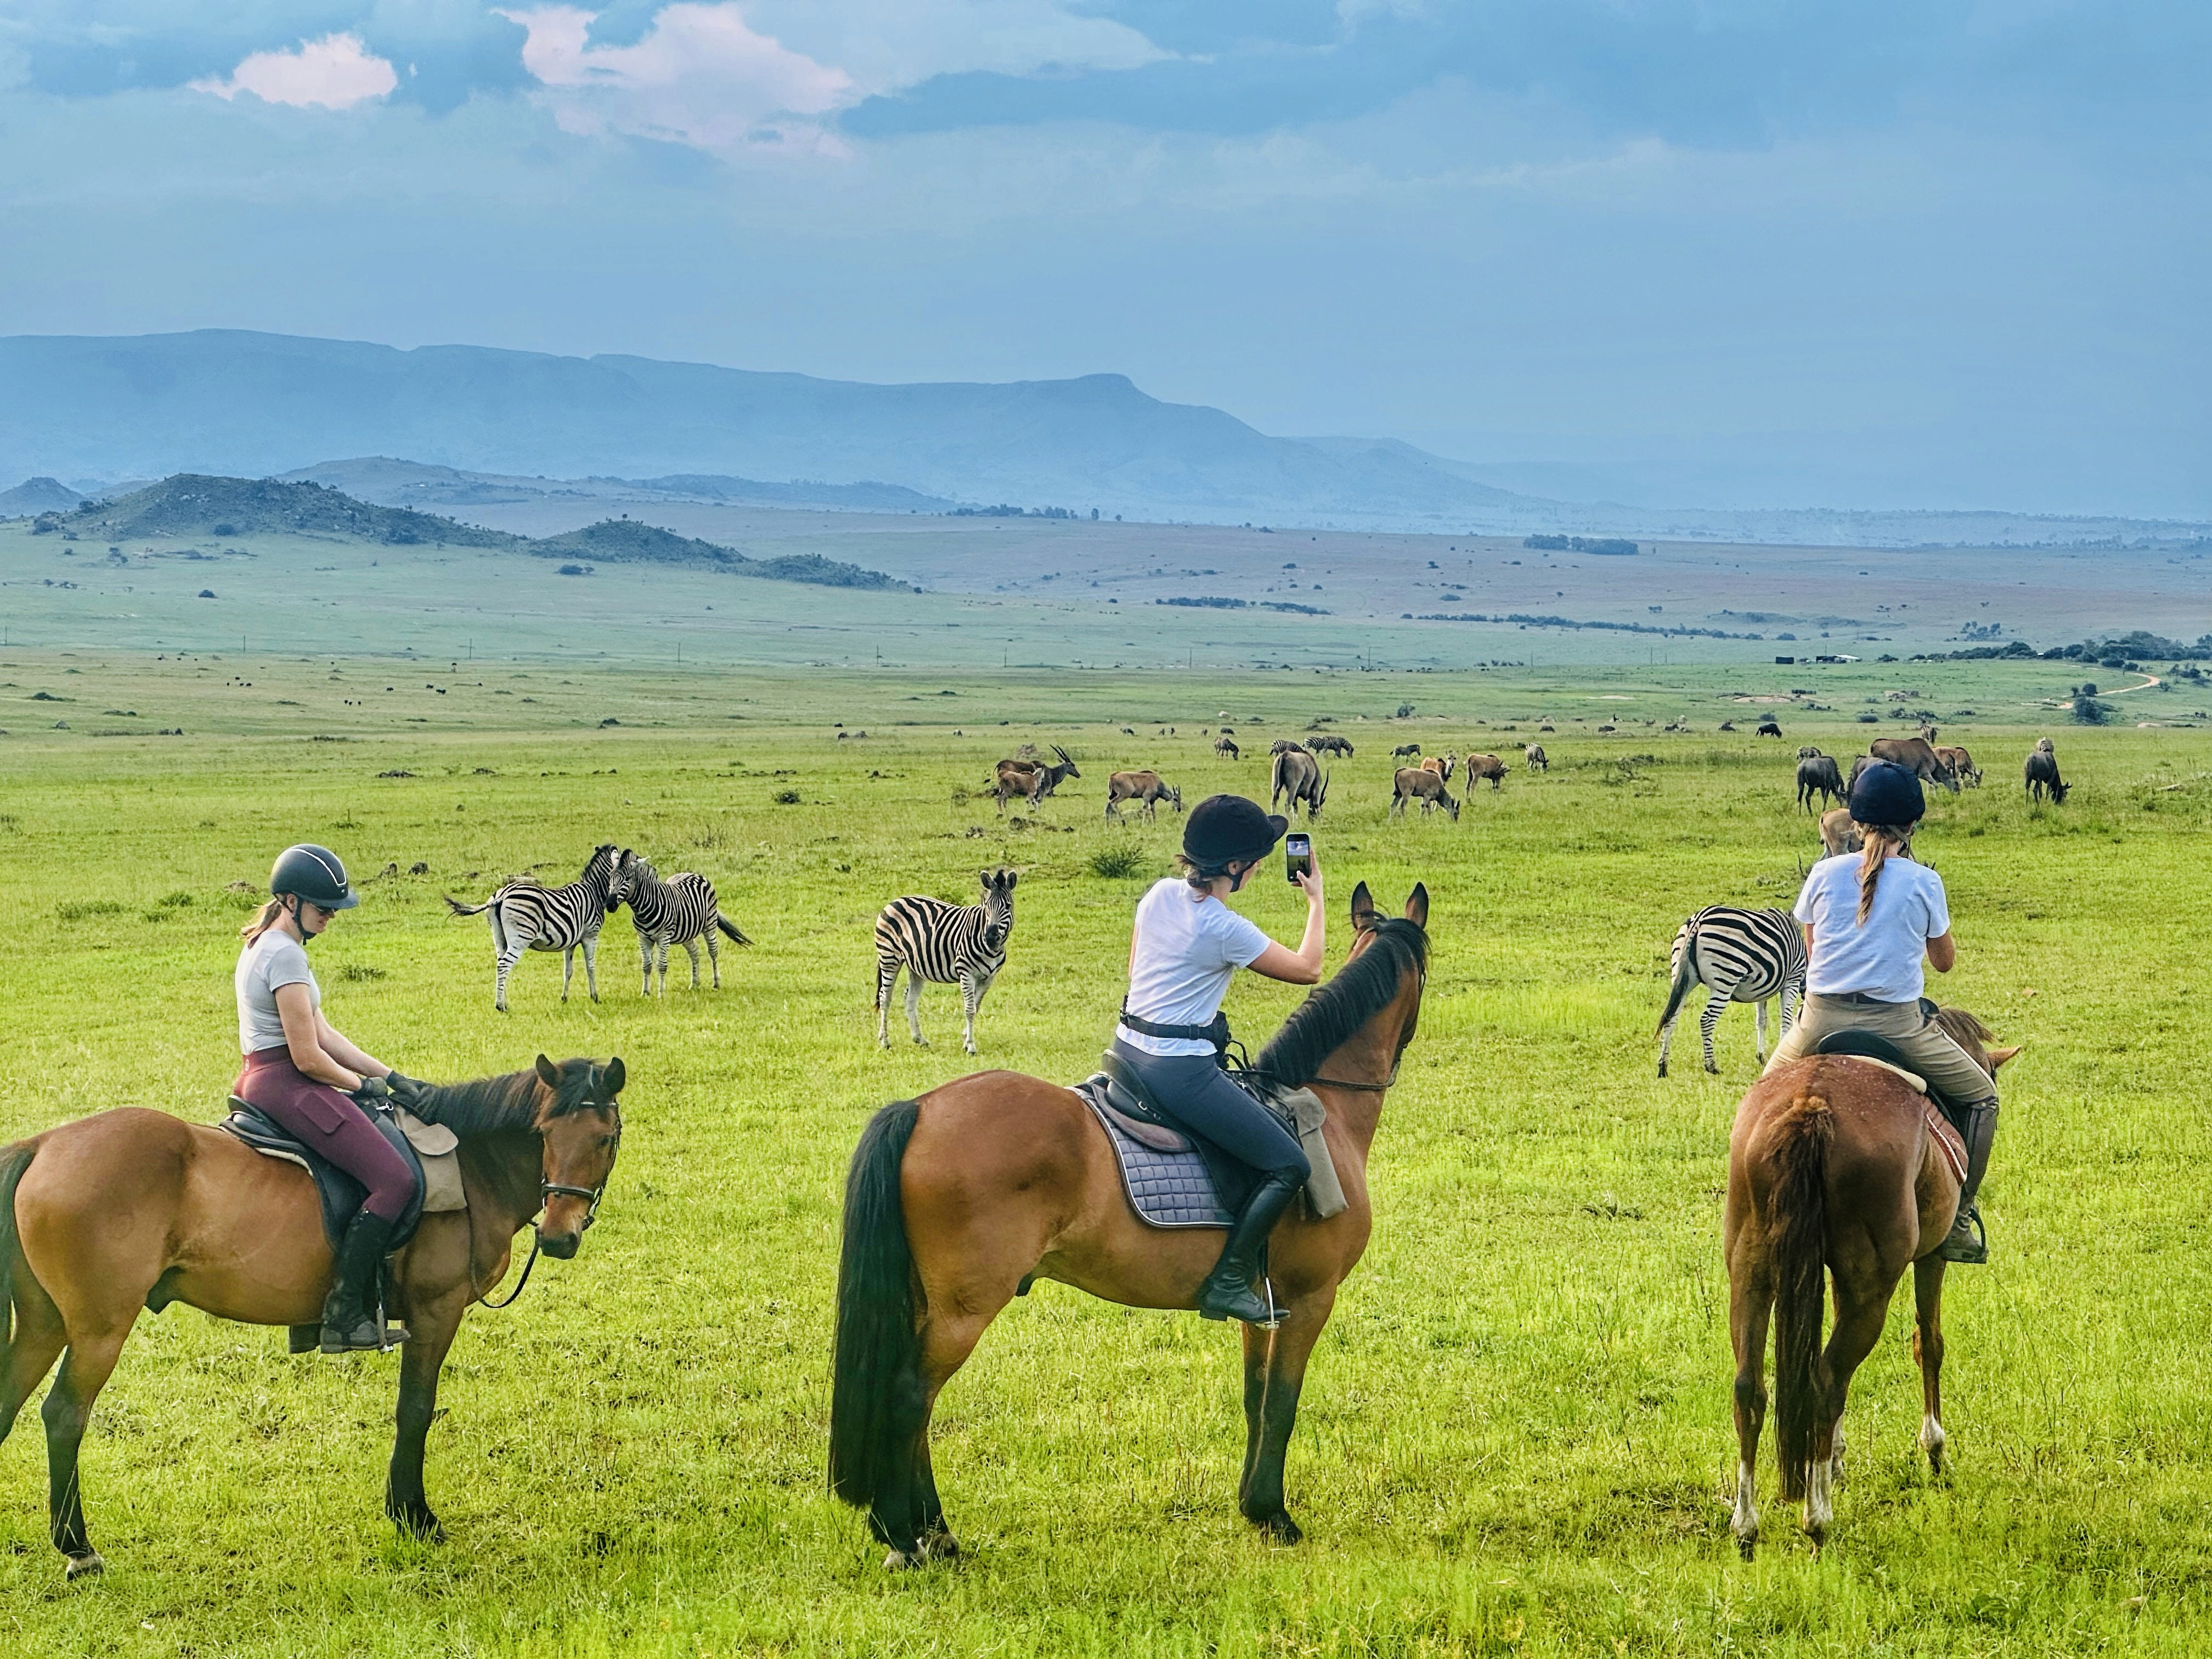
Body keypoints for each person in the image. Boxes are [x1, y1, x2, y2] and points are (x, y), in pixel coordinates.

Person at [1763, 763, 1999, 1262]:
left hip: (1817, 1022)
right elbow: (1944, 962)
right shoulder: (1924, 881)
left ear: (1858, 819)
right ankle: (1959, 1218)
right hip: (1898, 1026)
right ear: (1911, 826)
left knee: (1759, 1103)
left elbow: (1812, 948)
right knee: (1983, 1097)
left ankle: (1758, 1208)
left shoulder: (1823, 872)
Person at [1109, 794, 1327, 1323]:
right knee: (1289, 1164)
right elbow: (1308, 970)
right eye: (1255, 857)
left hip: (1125, 1052)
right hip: (1178, 1072)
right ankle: (1228, 1282)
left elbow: (1138, 969)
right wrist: (1317, 902)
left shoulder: (1157, 895)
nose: (1258, 865)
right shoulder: (1225, 928)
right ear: (1236, 867)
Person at [234, 844, 425, 1351]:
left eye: (334, 909)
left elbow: (323, 1031)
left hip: (264, 1076)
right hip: (288, 1085)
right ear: (290, 901)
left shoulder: (267, 944)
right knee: (395, 1179)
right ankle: (343, 1314)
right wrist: (365, 1087)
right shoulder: (286, 954)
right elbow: (309, 1059)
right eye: (323, 908)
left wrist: (392, 1076)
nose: (331, 917)